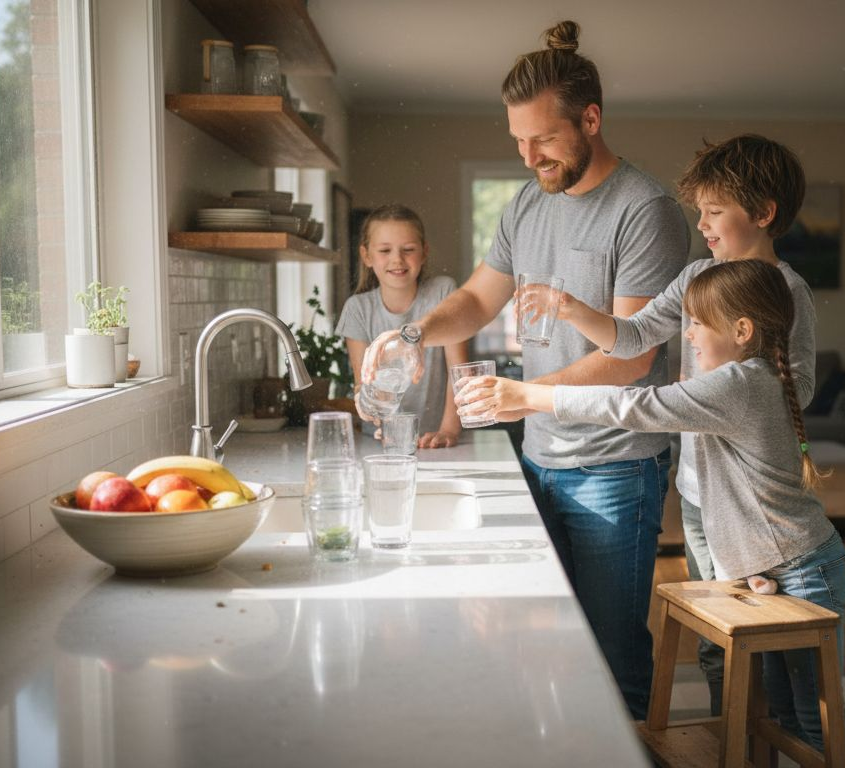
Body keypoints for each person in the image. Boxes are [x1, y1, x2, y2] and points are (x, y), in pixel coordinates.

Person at [362, 21, 688, 719]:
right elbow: (479, 299)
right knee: (546, 647)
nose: (528, 155)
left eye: (542, 139)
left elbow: (634, 355)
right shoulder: (527, 205)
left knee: (610, 656)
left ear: (591, 119)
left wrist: (527, 396)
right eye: (517, 141)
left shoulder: (645, 211)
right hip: (541, 459)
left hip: (615, 468)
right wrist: (415, 332)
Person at [458, 260, 845, 764]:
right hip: (784, 567)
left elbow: (636, 406)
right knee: (784, 714)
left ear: (742, 331)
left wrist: (532, 396)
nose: (686, 334)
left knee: (817, 724)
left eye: (697, 322)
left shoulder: (739, 383)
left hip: (805, 570)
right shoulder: (743, 379)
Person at [521, 133, 816, 714]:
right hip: (699, 495)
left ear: (762, 213)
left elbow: (797, 389)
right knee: (716, 645)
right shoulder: (694, 279)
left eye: (714, 212)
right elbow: (632, 337)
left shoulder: (788, 291)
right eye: (699, 211)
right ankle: (728, 744)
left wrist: (718, 389)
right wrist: (571, 306)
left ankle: (771, 745)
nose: (702, 225)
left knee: (771, 659)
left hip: (756, 507)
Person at [337, 204, 467, 448]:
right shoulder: (357, 309)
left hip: (437, 437)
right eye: (385, 250)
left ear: (424, 252)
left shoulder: (443, 292)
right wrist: (384, 424)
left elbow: (458, 372)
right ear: (366, 256)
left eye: (408, 249)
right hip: (380, 439)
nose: (397, 259)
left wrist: (449, 430)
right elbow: (363, 383)